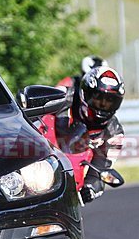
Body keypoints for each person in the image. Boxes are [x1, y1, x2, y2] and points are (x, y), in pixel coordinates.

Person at [51, 64, 125, 202]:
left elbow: (101, 167)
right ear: (85, 94)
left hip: (68, 178)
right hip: (42, 158)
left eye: (110, 101)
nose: (103, 105)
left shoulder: (115, 134)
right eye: (98, 98)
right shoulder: (64, 98)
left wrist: (90, 188)